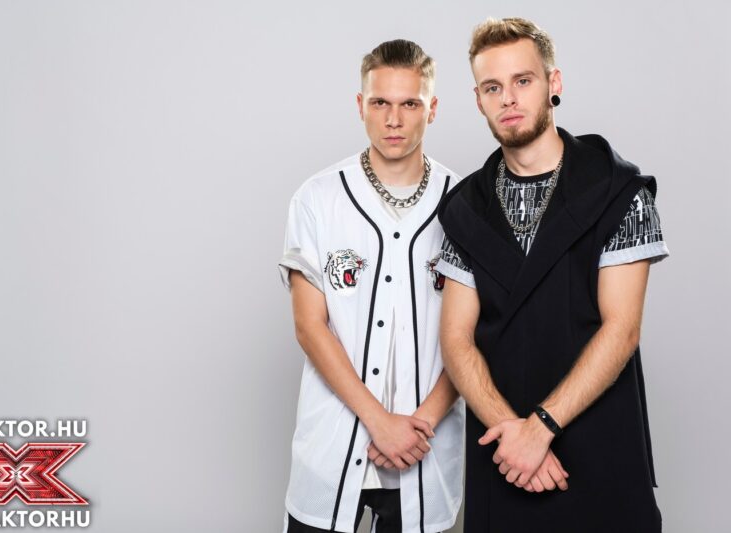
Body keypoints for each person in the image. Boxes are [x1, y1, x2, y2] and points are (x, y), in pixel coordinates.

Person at [435, 18, 669, 533]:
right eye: (492, 87)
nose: (508, 98)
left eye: (523, 80)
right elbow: (455, 338)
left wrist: (541, 427)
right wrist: (513, 434)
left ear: (553, 82)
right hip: (505, 456)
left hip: (603, 446)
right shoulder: (463, 208)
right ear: (478, 100)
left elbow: (622, 329)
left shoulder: (619, 191)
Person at [278, 39, 464, 533]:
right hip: (333, 445)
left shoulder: (467, 203)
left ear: (433, 109)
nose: (393, 120)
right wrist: (380, 422)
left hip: (426, 450)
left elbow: (472, 334)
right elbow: (309, 326)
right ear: (361, 105)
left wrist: (420, 424)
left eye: (410, 104)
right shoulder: (317, 198)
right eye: (380, 102)